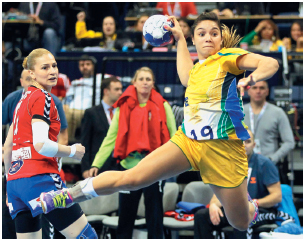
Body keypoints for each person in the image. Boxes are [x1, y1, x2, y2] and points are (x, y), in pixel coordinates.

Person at [40, 12, 280, 233]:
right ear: (195, 40)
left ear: (220, 39)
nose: (208, 37)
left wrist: (254, 77)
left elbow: (271, 63)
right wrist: (179, 39)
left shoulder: (228, 58)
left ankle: (251, 207)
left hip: (224, 151)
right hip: (189, 142)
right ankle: (66, 195)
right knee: (131, 179)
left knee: (240, 222)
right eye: (202, 33)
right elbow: (186, 76)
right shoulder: (197, 70)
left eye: (214, 33)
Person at [3, 48, 98, 239]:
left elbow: (7, 148)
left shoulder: (21, 101)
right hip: (40, 180)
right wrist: (72, 151)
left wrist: (8, 183)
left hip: (15, 185)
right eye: (45, 67)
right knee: (86, 237)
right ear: (31, 73)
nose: (52, 71)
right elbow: (40, 144)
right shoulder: (43, 97)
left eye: (54, 65)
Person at [89, 67, 176, 238]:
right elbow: (110, 138)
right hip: (128, 168)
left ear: (153, 83)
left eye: (148, 79)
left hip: (155, 168)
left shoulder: (163, 105)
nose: (145, 82)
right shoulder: (122, 107)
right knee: (126, 217)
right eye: (141, 79)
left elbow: (175, 137)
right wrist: (96, 163)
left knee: (154, 216)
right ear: (134, 83)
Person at [194, 130, 282, 239]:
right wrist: (213, 205)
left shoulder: (265, 164)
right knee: (201, 216)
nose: (244, 145)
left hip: (261, 210)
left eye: (248, 141)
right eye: (240, 141)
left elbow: (277, 196)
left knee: (241, 217)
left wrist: (255, 203)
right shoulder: (229, 163)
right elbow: (219, 192)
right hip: (238, 209)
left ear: (254, 145)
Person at [2, 69, 68, 146]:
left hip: (45, 151)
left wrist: (52, 157)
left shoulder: (55, 102)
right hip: (16, 151)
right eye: (28, 79)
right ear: (21, 82)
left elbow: (63, 139)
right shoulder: (11, 99)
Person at [63, 55, 113, 143]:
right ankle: (66, 143)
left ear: (93, 66)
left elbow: (122, 81)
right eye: (82, 65)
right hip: (73, 109)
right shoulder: (76, 82)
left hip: (90, 109)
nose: (85, 67)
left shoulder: (103, 77)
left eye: (87, 64)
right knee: (64, 112)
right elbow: (68, 98)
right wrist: (65, 105)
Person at [243, 81, 295, 164]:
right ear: (248, 91)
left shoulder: (277, 112)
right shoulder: (239, 112)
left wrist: (272, 159)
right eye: (254, 88)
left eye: (262, 88)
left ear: (267, 92)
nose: (258, 91)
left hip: (267, 164)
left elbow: (289, 142)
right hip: (243, 164)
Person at [81, 77, 122, 179]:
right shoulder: (91, 113)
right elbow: (85, 142)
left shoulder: (124, 112)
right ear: (106, 91)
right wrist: (85, 168)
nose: (120, 92)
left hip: (120, 163)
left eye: (121, 89)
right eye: (116, 89)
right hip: (99, 165)